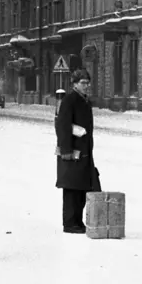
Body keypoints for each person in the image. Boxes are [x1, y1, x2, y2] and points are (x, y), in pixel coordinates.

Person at [55, 68, 99, 234]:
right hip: (72, 152)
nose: (86, 86)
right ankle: (70, 223)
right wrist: (66, 150)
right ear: (74, 83)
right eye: (83, 83)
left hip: (83, 150)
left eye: (88, 83)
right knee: (72, 188)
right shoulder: (69, 100)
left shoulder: (83, 100)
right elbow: (63, 125)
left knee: (81, 186)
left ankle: (77, 222)